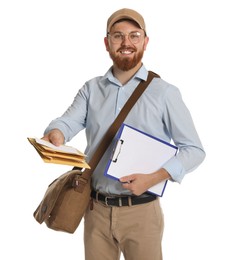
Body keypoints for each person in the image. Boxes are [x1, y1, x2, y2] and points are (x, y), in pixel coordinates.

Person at [42, 8, 205, 260]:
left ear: (145, 42)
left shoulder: (165, 93)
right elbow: (67, 122)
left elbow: (194, 150)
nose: (126, 43)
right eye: (118, 36)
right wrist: (56, 133)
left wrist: (154, 177)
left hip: (141, 212)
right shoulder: (91, 89)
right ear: (107, 43)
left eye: (134, 36)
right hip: (94, 209)